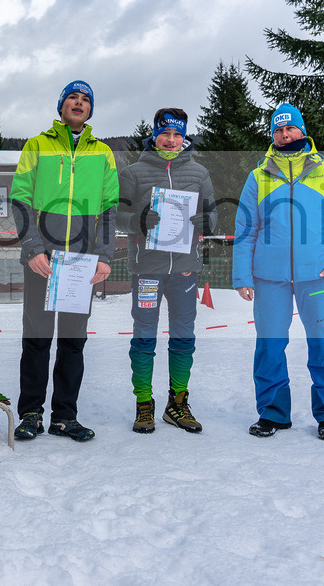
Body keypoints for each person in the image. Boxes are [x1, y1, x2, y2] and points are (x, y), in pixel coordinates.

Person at [233, 103, 324, 440]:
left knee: (323, 344)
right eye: (278, 130)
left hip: (317, 275)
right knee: (270, 346)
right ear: (272, 135)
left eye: (290, 129)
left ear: (302, 131)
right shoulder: (258, 176)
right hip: (268, 277)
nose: (284, 134)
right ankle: (273, 413)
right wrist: (242, 276)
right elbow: (245, 229)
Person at [9, 81, 117, 442]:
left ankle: (65, 416)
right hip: (44, 259)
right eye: (73, 97)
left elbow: (109, 208)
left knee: (73, 341)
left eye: (86, 100)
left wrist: (103, 256)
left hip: (82, 263)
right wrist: (33, 247)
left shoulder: (103, 153)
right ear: (61, 106)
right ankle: (31, 413)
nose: (79, 103)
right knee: (37, 339)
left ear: (90, 111)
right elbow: (20, 198)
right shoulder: (37, 145)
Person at [116, 108, 217, 434]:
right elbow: (117, 216)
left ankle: (178, 402)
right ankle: (144, 404)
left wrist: (206, 222)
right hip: (148, 268)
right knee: (144, 336)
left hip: (185, 269)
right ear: (155, 134)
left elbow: (212, 216)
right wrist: (137, 221)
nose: (171, 140)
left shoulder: (200, 173)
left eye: (177, 135)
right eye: (165, 133)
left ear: (184, 136)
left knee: (184, 336)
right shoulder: (134, 173)